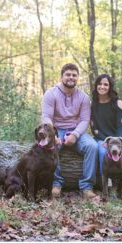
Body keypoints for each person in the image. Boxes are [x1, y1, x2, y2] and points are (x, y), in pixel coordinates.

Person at [41, 62, 99, 199]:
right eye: (68, 74)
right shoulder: (51, 94)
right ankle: (56, 183)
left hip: (76, 129)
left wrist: (75, 134)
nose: (71, 77)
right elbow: (46, 116)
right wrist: (52, 135)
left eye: (74, 75)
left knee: (92, 146)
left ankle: (86, 187)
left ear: (78, 77)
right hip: (56, 129)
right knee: (49, 146)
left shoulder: (84, 97)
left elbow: (85, 120)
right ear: (62, 76)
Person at [91, 72, 122, 198]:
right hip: (102, 139)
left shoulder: (117, 103)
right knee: (102, 153)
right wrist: (105, 141)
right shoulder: (93, 104)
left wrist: (119, 142)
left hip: (117, 138)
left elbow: (120, 126)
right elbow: (94, 127)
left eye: (105, 84)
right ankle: (108, 188)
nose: (102, 86)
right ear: (96, 86)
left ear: (110, 87)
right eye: (100, 84)